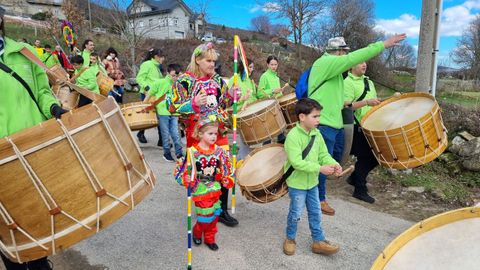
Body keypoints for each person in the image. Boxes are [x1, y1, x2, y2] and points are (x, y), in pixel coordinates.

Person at [308, 34, 406, 216]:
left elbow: (340, 102)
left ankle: (314, 187)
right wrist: (383, 45)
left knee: (333, 161)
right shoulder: (326, 63)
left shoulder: (335, 72)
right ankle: (319, 200)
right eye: (344, 52)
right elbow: (355, 58)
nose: (346, 55)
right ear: (337, 52)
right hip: (325, 124)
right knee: (323, 164)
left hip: (335, 124)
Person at [0, 6, 66, 269]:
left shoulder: (24, 53)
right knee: (6, 225)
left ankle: (40, 263)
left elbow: (42, 91)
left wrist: (53, 107)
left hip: (32, 147)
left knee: (36, 216)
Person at [167, 42, 240, 227]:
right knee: (203, 174)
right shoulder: (185, 81)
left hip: (219, 133)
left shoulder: (216, 80)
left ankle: (221, 210)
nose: (212, 65)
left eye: (214, 62)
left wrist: (231, 95)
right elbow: (171, 106)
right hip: (197, 136)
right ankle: (204, 210)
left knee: (223, 169)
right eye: (208, 61)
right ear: (197, 60)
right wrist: (193, 104)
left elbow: (223, 103)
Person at [283, 98, 341, 256]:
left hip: (312, 183)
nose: (318, 120)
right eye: (315, 116)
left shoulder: (317, 134)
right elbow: (297, 163)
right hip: (297, 184)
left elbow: (324, 155)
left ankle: (318, 241)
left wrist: (334, 164)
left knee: (315, 212)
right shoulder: (293, 136)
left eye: (319, 116)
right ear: (302, 117)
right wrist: (320, 168)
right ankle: (290, 238)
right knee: (295, 214)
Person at [174, 117, 234, 251]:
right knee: (205, 217)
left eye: (215, 133)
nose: (214, 136)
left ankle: (210, 238)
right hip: (200, 188)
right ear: (200, 134)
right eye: (210, 133)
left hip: (215, 187)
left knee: (215, 214)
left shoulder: (219, 150)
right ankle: (197, 231)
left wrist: (225, 178)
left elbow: (226, 167)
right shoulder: (192, 152)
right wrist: (187, 177)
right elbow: (181, 170)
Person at [144, 63, 183, 162]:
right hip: (163, 112)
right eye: (173, 75)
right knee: (165, 134)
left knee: (175, 133)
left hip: (174, 112)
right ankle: (166, 153)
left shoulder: (179, 84)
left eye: (177, 76)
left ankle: (179, 153)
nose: (175, 78)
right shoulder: (160, 83)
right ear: (168, 73)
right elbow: (150, 93)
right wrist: (143, 105)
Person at [227, 58, 257, 160]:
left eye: (252, 67)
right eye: (250, 67)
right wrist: (242, 99)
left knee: (248, 140)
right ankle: (240, 161)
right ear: (243, 66)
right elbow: (228, 99)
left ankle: (242, 160)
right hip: (239, 114)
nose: (251, 69)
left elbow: (254, 97)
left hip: (249, 113)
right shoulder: (234, 79)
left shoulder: (250, 81)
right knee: (245, 139)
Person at [136, 48, 165, 144]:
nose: (163, 59)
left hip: (157, 95)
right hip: (146, 94)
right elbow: (139, 78)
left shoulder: (158, 67)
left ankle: (161, 140)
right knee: (146, 116)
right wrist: (147, 88)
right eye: (162, 56)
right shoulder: (147, 64)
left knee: (160, 116)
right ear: (156, 57)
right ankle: (141, 133)